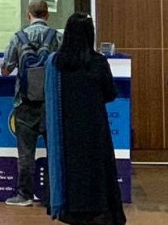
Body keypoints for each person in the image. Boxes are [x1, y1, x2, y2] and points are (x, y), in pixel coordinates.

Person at [46, 14, 126, 225]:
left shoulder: (56, 63)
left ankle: (71, 211)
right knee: (97, 168)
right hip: (94, 127)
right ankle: (97, 210)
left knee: (71, 168)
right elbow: (110, 93)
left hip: (65, 128)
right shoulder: (98, 61)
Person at [1, 0, 61, 207]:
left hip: (25, 103)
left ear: (28, 15)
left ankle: (24, 195)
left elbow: (5, 69)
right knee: (55, 151)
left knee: (26, 152)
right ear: (47, 15)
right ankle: (53, 196)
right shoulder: (57, 37)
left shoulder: (18, 37)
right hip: (51, 105)